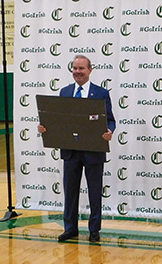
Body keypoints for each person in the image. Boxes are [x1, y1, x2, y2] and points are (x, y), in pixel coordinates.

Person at [38, 55, 115, 242]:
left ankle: (94, 230)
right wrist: (45, 128)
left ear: (90, 70)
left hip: (93, 151)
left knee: (95, 192)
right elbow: (58, 120)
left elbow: (110, 120)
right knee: (70, 192)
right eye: (75, 68)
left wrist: (109, 131)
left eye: (81, 68)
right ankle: (70, 228)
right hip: (70, 151)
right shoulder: (64, 92)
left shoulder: (101, 93)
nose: (78, 72)